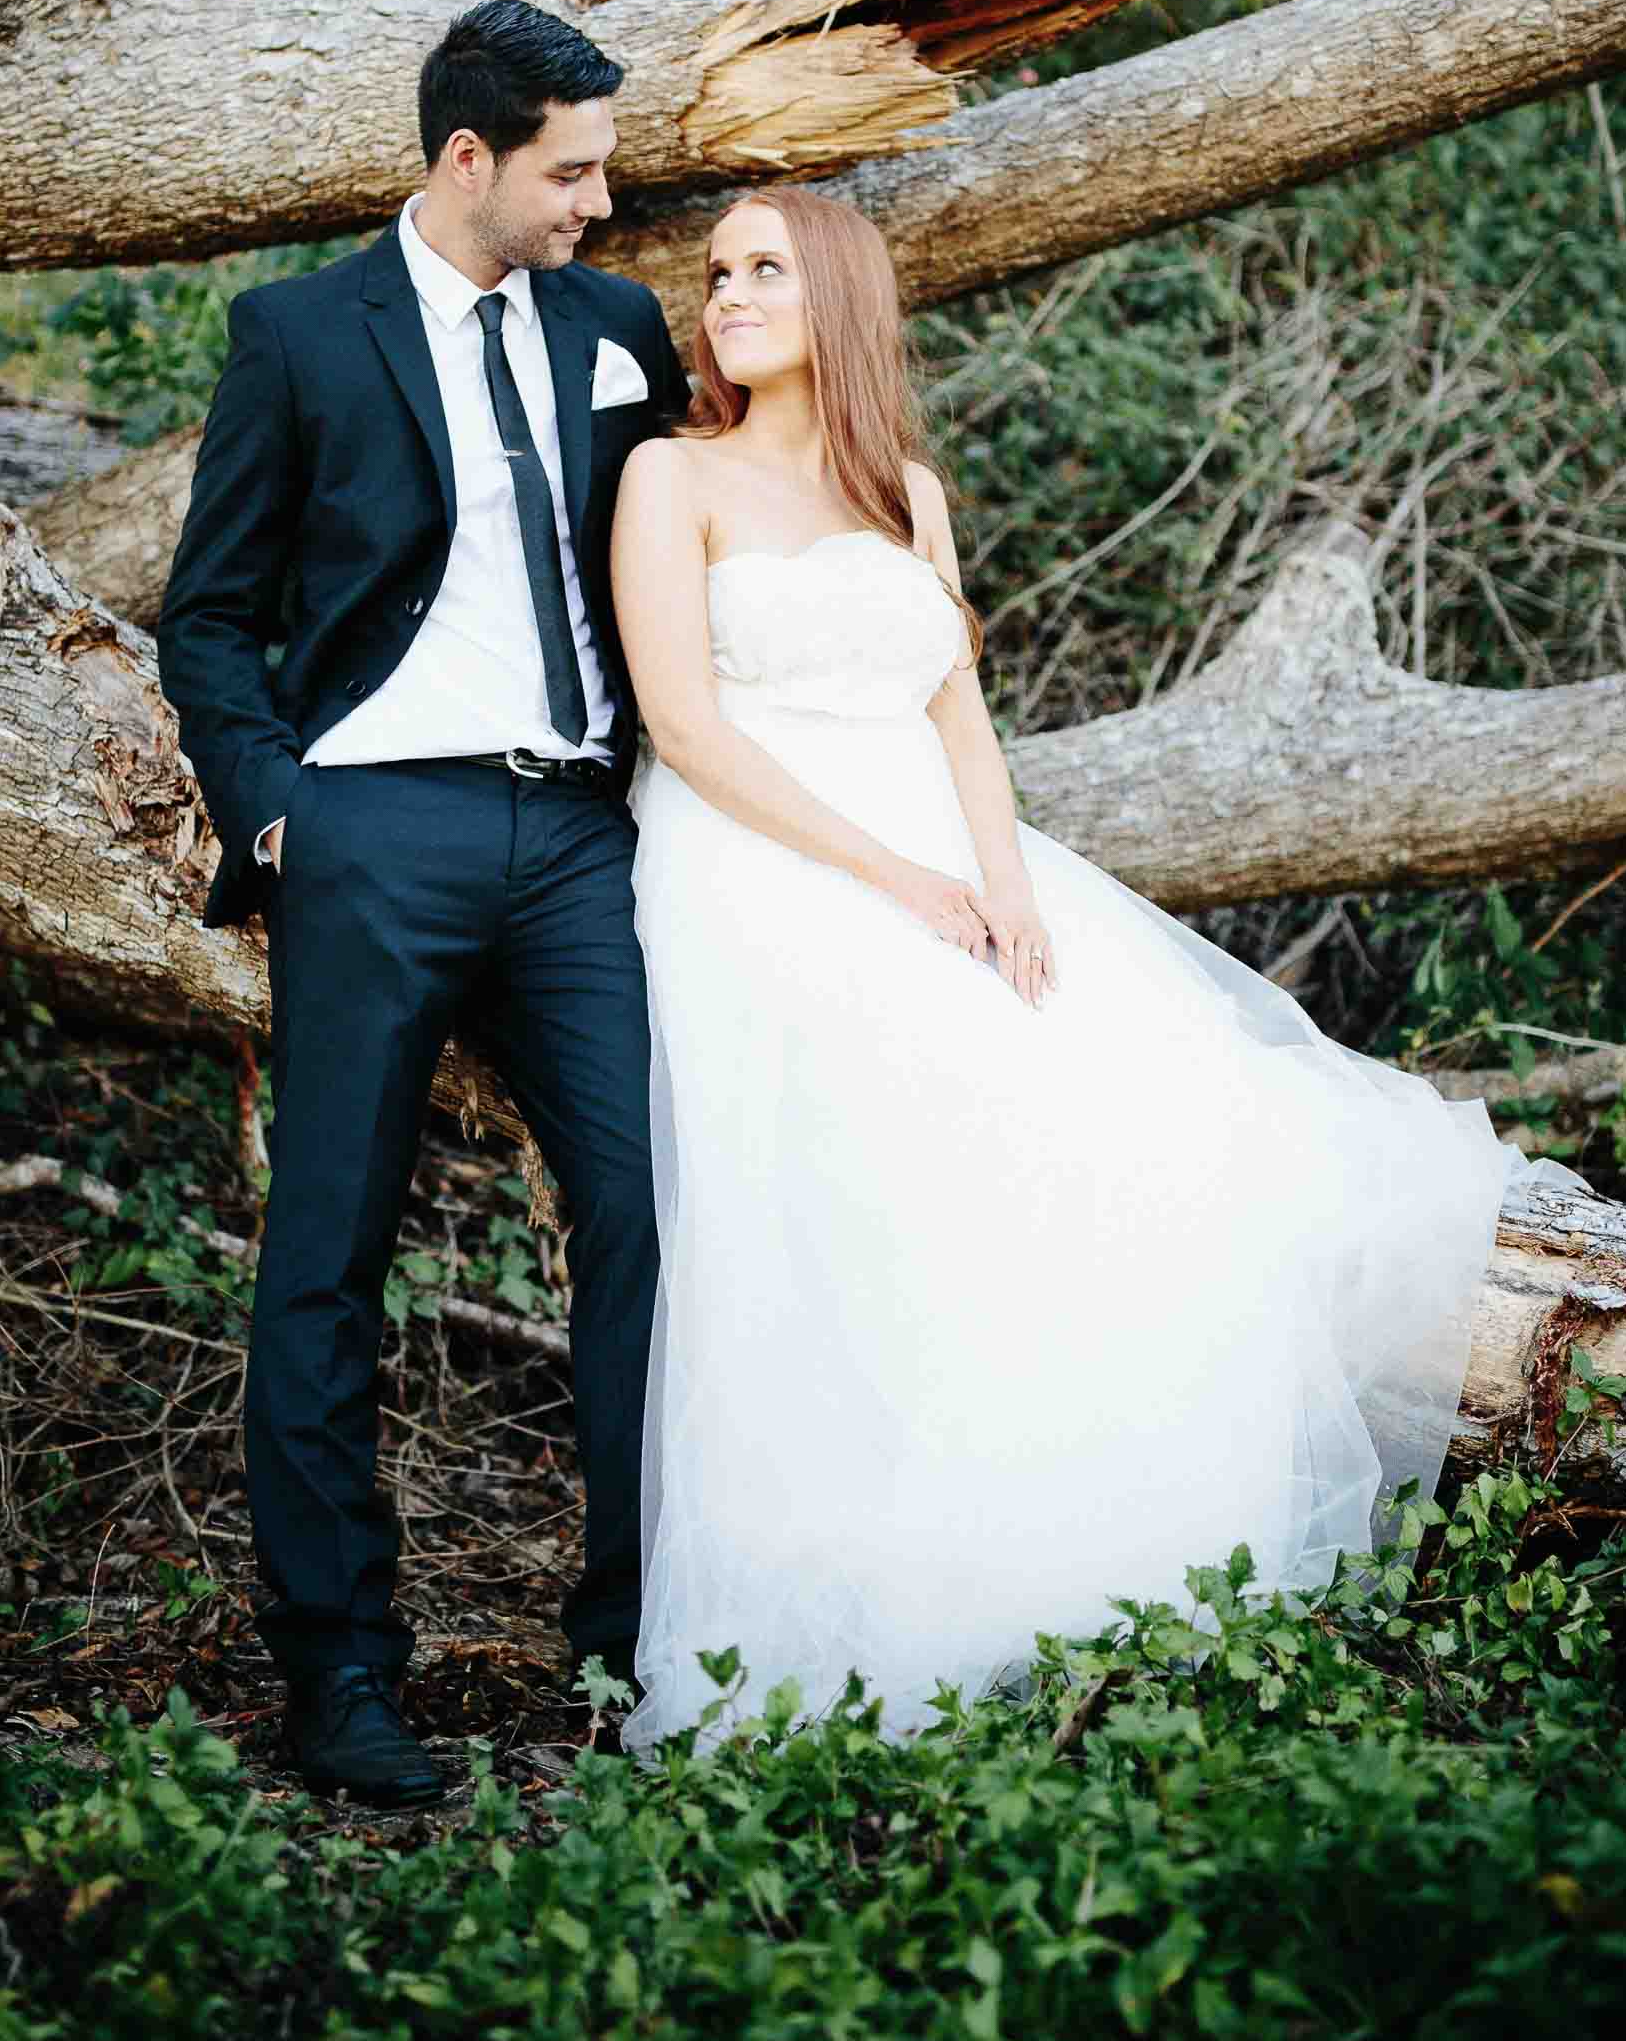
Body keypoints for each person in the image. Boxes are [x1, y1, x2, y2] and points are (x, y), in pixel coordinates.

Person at [608, 185, 1564, 1759]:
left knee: (1130, 1114)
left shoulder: (904, 490)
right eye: (717, 274)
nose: (727, 296)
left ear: (839, 294)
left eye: (765, 269)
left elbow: (957, 715)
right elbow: (687, 728)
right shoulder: (671, 475)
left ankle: (1061, 1535)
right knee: (884, 1127)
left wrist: (1002, 885)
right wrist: (899, 879)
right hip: (753, 854)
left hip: (938, 853)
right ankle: (842, 1585)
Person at [158, 0, 688, 1805]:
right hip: (374, 830)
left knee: (650, 1215)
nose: (602, 207)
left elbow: (681, 552)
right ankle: (342, 1679)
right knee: (328, 1255)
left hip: (582, 844)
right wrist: (278, 810)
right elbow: (210, 613)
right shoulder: (301, 335)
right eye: (573, 170)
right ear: (469, 160)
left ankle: (634, 1640)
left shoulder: (616, 330)